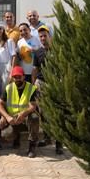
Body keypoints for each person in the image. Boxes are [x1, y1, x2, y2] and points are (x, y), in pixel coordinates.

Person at [32, 25, 63, 154]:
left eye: (45, 35)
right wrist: (34, 84)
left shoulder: (58, 50)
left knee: (56, 114)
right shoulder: (38, 52)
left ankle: (59, 144)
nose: (43, 38)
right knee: (43, 113)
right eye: (41, 36)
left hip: (55, 84)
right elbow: (35, 69)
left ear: (50, 36)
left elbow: (62, 67)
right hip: (41, 83)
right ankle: (47, 138)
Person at [0, 66, 40, 158]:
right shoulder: (8, 88)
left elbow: (33, 106)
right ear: (12, 78)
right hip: (12, 117)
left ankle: (32, 146)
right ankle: (15, 138)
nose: (17, 79)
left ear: (24, 76)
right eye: (15, 77)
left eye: (19, 77)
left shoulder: (31, 88)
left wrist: (23, 113)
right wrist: (5, 117)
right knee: (5, 134)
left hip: (26, 116)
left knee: (35, 118)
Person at [0, 21, 17, 95]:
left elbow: (14, 56)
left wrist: (12, 70)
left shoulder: (9, 41)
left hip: (6, 66)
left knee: (5, 88)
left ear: (3, 30)